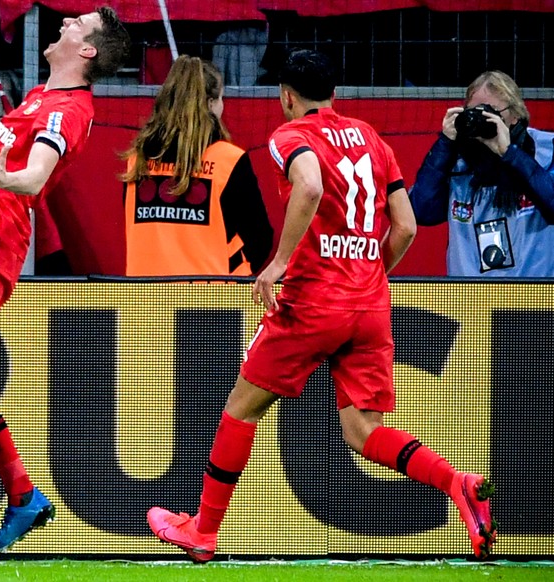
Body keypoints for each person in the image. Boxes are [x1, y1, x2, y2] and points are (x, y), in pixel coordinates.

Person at [147, 49, 496, 562]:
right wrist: (368, 273)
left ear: (286, 96)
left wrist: (279, 262)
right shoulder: (373, 139)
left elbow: (309, 184)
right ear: (335, 93)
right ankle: (457, 483)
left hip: (312, 302)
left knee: (240, 409)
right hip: (370, 301)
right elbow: (406, 226)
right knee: (363, 431)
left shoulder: (290, 135)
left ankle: (202, 529)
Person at [0, 7, 130, 560]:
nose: (62, 24)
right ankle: (24, 496)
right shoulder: (38, 94)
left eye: (75, 25)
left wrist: (0, 180)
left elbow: (34, 176)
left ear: (87, 52)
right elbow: (7, 164)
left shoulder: (70, 108)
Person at [122, 55, 273, 277]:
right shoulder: (229, 160)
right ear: (211, 104)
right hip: (209, 300)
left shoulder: (137, 160)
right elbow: (260, 238)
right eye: (221, 98)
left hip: (145, 299)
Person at [410, 70, 554, 276]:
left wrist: (510, 154)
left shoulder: (545, 150)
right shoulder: (457, 161)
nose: (484, 119)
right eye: (476, 111)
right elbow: (421, 211)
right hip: (470, 299)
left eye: (492, 112)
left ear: (515, 115)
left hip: (532, 298)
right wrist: (445, 143)